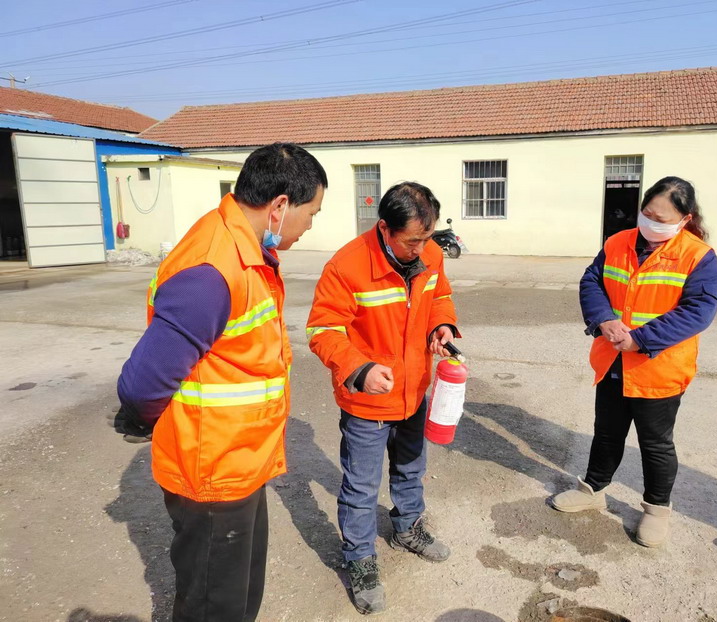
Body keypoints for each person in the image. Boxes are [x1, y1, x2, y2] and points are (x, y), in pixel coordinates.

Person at [113, 143, 327, 621]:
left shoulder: (245, 251)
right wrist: (144, 419)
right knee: (215, 606)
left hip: (239, 462)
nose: (311, 225)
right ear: (279, 206)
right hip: (212, 475)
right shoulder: (212, 271)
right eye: (311, 213)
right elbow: (143, 383)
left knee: (240, 596)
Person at [306, 182, 460, 615]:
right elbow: (323, 330)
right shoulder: (347, 266)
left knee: (412, 469)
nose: (421, 249)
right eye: (412, 241)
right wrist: (359, 368)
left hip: (413, 392)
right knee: (361, 486)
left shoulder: (431, 253)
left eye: (427, 238)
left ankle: (407, 528)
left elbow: (440, 297)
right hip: (367, 402)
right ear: (385, 229)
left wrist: (442, 327)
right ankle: (359, 559)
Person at [552, 176, 717, 548]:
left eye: (661, 219)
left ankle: (657, 510)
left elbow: (698, 311)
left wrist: (640, 339)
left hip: (658, 367)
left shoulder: (698, 256)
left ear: (685, 219)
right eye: (647, 214)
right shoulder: (618, 242)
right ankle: (593, 490)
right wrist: (604, 320)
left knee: (655, 444)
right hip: (612, 359)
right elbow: (592, 281)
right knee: (607, 433)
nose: (651, 223)